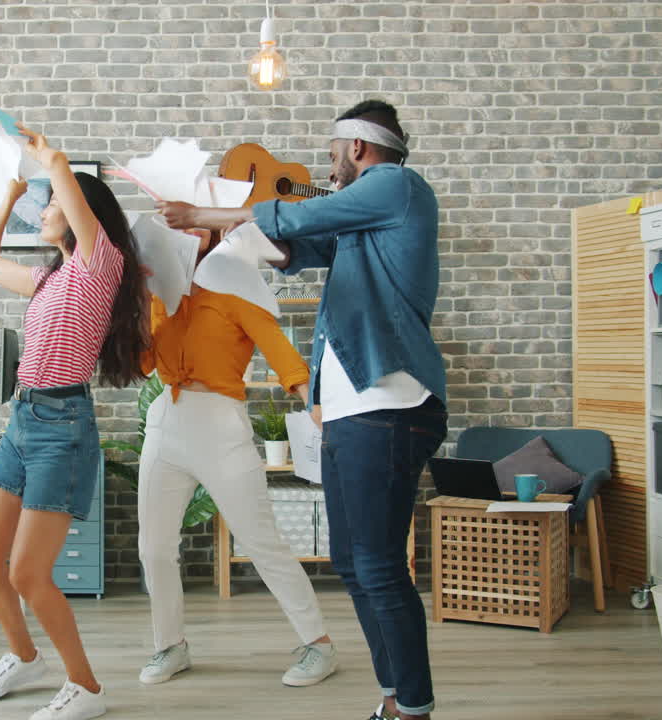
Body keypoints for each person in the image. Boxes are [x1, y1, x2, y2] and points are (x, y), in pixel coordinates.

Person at [157, 99, 448, 720]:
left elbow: (298, 215)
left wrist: (205, 211)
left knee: (377, 562)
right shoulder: (358, 224)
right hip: (350, 411)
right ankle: (396, 698)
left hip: (391, 405)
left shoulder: (398, 188)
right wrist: (214, 225)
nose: (328, 164)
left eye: (332, 152)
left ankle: (414, 707)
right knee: (351, 561)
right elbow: (290, 247)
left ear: (359, 149)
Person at [0, 124, 148, 720]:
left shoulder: (101, 265)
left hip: (63, 428)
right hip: (23, 422)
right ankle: (24, 657)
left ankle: (87, 688)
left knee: (27, 572)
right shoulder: (48, 279)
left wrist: (52, 159)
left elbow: (70, 187)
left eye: (52, 204)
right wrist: (11, 196)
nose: (46, 212)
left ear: (80, 214)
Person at [135, 226, 338, 687]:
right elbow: (142, 364)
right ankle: (170, 645)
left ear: (215, 231)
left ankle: (318, 645)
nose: (185, 233)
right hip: (167, 417)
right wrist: (142, 307)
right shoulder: (159, 293)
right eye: (177, 226)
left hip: (221, 422)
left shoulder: (234, 283)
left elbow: (282, 353)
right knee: (154, 546)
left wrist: (317, 408)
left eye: (195, 223)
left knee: (262, 541)